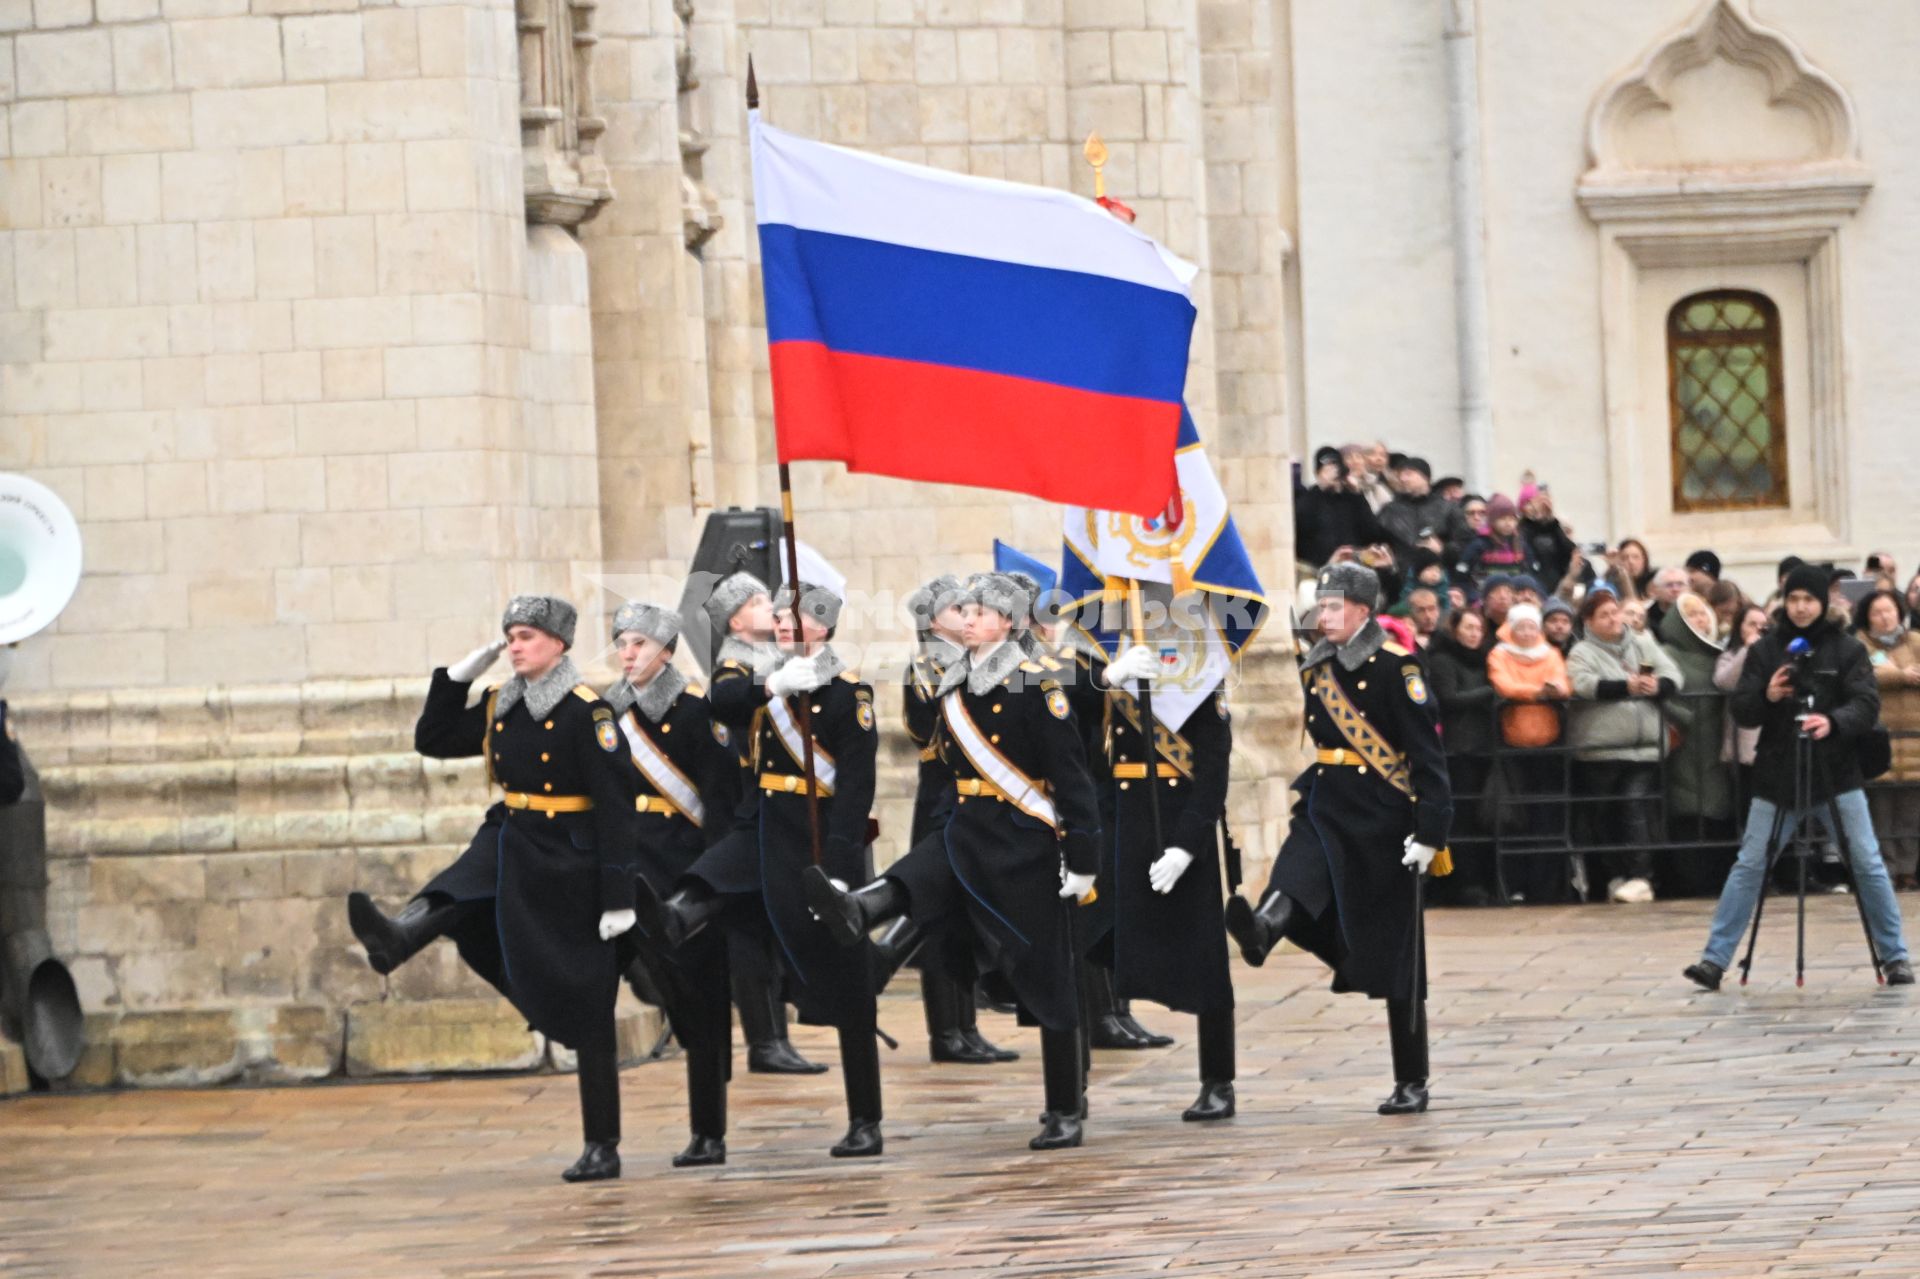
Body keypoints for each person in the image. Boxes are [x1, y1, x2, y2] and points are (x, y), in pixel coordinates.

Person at [345, 596, 642, 1182]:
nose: (514, 645)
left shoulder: (589, 713)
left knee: (588, 1003)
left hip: (568, 856)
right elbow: (431, 738)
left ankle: (601, 1144)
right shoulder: (501, 702)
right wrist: (456, 678)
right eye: (510, 635)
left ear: (558, 644)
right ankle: (399, 936)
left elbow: (617, 808)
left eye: (527, 635)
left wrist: (618, 896)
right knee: (457, 892)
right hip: (511, 834)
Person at [804, 572, 1103, 1150]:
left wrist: (1083, 855)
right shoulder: (951, 682)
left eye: (981, 612)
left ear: (1010, 622)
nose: (967, 618)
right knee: (921, 872)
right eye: (964, 610)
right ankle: (859, 909)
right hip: (966, 826)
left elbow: (1072, 776)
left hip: (1023, 839)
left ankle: (1065, 1106)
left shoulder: (1040, 684)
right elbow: (935, 753)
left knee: (1046, 974)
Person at [636, 579, 888, 1157]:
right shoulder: (756, 679)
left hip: (814, 838)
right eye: (775, 615)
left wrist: (845, 868)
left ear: (822, 626)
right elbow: (719, 704)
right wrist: (773, 683)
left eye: (793, 617)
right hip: (760, 824)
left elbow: (855, 787)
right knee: (709, 878)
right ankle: (672, 920)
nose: (779, 623)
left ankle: (865, 1121)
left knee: (845, 983)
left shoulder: (850, 695)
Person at [1224, 562, 1451, 1115]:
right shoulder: (1316, 666)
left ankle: (1412, 1077)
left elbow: (1427, 757)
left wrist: (1430, 833)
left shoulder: (1399, 669)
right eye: (1320, 605)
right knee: (1294, 873)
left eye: (1331, 606)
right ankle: (1261, 930)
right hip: (1326, 802)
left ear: (1362, 610)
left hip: (1383, 817)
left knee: (1399, 953)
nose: (1321, 615)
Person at [1683, 565, 1915, 990]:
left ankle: (1895, 956)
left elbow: (1866, 704)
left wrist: (1833, 721)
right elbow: (1742, 709)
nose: (1801, 607)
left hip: (1837, 773)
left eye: (1809, 599)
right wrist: (1767, 695)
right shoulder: (1768, 649)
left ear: (1822, 602)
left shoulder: (1846, 649)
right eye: (1794, 600)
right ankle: (1714, 960)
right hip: (1778, 773)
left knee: (1865, 861)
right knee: (1750, 864)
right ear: (1785, 602)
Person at [1081, 620, 1238, 1120]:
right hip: (1116, 822)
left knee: (1204, 957)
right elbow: (1060, 717)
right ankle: (1067, 1084)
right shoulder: (1107, 665)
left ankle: (1218, 1081)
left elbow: (1213, 774)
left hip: (1174, 824)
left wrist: (1187, 847)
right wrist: (1106, 678)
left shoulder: (1202, 673)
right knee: (1079, 941)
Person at [603, 602, 739, 1168]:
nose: (627, 654)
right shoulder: (608, 712)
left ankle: (708, 1131)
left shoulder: (696, 714)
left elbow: (721, 807)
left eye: (638, 643)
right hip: (625, 868)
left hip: (681, 873)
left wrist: (707, 885)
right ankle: (600, 1140)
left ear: (665, 650)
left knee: (701, 1005)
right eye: (621, 643)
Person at [884, 573, 1019, 1064]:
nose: (966, 616)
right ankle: (945, 1032)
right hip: (942, 799)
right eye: (957, 609)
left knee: (964, 921)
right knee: (941, 922)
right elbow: (934, 730)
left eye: (970, 609)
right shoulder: (925, 666)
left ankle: (967, 1025)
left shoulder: (971, 663)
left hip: (966, 803)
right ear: (932, 619)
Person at [701, 572, 829, 1076]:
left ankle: (777, 1036)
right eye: (758, 602)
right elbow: (728, 701)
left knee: (770, 925)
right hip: (743, 813)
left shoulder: (775, 661)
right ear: (736, 620)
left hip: (776, 815)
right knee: (749, 928)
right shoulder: (736, 665)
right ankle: (764, 1040)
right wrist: (774, 683)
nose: (769, 607)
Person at [1567, 592, 1682, 904]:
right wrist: (1626, 687)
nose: (1613, 619)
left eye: (1615, 612)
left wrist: (1657, 686)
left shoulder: (1643, 642)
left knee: (1635, 807)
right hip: (1600, 749)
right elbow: (1584, 684)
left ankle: (1640, 875)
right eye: (1603, 615)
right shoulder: (1581, 651)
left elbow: (1673, 673)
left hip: (1644, 747)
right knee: (1604, 816)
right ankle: (1612, 874)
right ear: (1589, 622)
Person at [1486, 603, 1571, 902]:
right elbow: (1504, 684)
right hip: (1512, 744)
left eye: (1532, 627)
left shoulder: (1550, 654)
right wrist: (1537, 693)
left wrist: (1555, 690)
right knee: (1515, 818)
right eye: (1520, 627)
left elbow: (1562, 680)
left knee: (1547, 817)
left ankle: (1545, 886)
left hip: (1549, 742)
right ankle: (1515, 885)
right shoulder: (1500, 653)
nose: (1526, 633)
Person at [1659, 593, 1736, 894]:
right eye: (1691, 615)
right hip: (1684, 745)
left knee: (1718, 808)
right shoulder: (1667, 654)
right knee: (1689, 808)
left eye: (1703, 614)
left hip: (1717, 743)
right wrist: (1683, 716)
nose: (1700, 620)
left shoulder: (1722, 655)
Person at [1427, 608, 1496, 905]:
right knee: (1463, 818)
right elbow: (1449, 698)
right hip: (1458, 749)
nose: (1473, 634)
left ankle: (1486, 880)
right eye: (1468, 627)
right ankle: (1465, 883)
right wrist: (1491, 692)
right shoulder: (1443, 659)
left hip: (1485, 747)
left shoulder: (1486, 659)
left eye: (1478, 629)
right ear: (1455, 629)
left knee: (1484, 816)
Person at [1856, 589, 1920, 890]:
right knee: (1881, 811)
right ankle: (1887, 868)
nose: (1885, 617)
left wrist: (1901, 673)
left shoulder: (1915, 641)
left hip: (1914, 739)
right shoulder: (1860, 645)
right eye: (1877, 612)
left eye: (1890, 610)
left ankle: (1908, 868)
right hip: (1879, 737)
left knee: (1910, 812)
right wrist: (1900, 676)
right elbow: (1865, 674)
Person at [1295, 446, 1386, 569]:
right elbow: (1301, 529)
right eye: (1326, 469)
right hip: (1320, 569)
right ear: (1317, 473)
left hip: (1355, 566)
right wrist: (1322, 488)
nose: (1332, 473)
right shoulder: (1309, 499)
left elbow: (1372, 533)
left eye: (1335, 468)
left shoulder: (1353, 498)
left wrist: (1358, 495)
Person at [1379, 456, 1468, 566]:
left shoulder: (1447, 508)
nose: (1402, 479)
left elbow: (1465, 544)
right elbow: (1377, 541)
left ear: (1425, 477)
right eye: (1400, 475)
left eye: (1408, 474)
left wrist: (1444, 550)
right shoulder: (1389, 510)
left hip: (1439, 575)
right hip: (1402, 576)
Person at [1459, 495, 1541, 585]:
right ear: (1492, 521)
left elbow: (1533, 570)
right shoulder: (1480, 544)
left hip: (1515, 593)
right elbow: (1463, 572)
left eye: (1512, 519)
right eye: (1503, 519)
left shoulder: (1520, 545)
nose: (1508, 523)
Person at [1645, 566, 1690, 637]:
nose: (1675, 589)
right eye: (1669, 585)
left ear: (1688, 588)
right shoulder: (1646, 618)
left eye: (1680, 584)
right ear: (1656, 590)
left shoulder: (1697, 613)